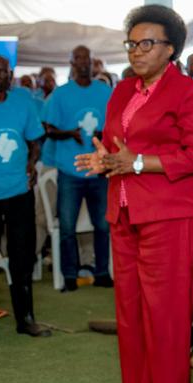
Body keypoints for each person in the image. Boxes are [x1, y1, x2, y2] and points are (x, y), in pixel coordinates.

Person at [75, 4, 193, 383]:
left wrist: (136, 163)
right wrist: (106, 163)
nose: (136, 51)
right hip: (124, 211)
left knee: (166, 315)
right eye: (132, 43)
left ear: (171, 49)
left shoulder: (188, 92)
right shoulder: (121, 91)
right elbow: (119, 148)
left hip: (172, 215)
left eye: (147, 43)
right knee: (131, 314)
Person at [43, 45, 113, 291]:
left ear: (93, 63)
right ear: (72, 63)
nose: (84, 62)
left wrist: (103, 133)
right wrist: (69, 133)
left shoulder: (104, 91)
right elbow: (49, 129)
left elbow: (115, 128)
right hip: (70, 172)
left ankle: (103, 272)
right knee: (67, 228)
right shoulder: (61, 94)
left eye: (88, 58)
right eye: (79, 58)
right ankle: (70, 277)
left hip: (99, 170)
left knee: (104, 225)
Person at [0, 55, 51, 337]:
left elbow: (34, 141)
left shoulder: (23, 101)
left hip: (19, 191)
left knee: (22, 257)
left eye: (1, 71)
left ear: (10, 74)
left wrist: (32, 164)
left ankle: (25, 319)